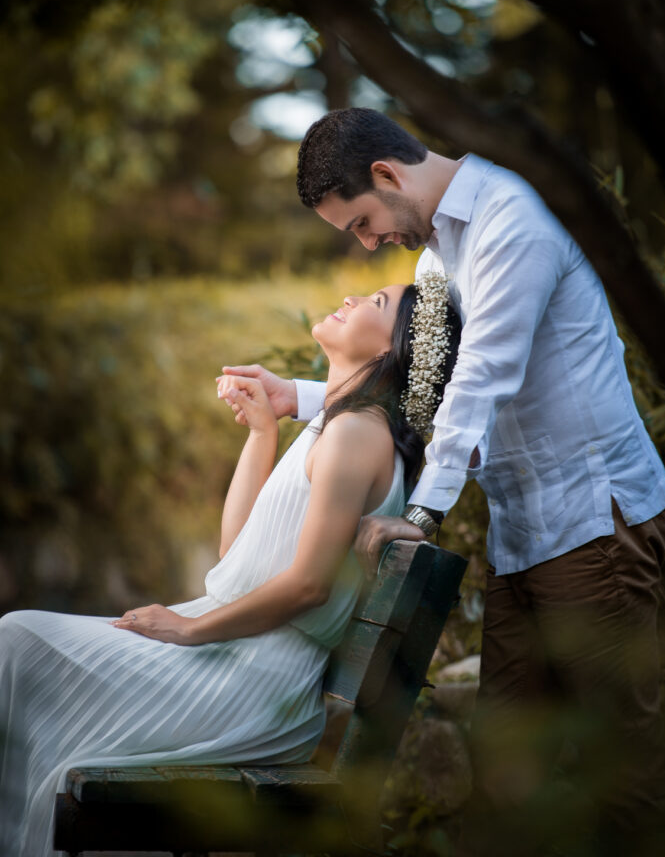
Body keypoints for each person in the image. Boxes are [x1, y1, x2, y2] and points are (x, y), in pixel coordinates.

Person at [224, 107, 665, 850]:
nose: (370, 243)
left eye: (362, 223)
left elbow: (481, 379)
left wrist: (425, 514)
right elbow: (424, 388)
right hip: (524, 535)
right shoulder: (436, 260)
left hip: (596, 523)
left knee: (625, 765)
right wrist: (299, 398)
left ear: (386, 175)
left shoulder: (512, 221)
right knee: (503, 767)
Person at [0, 275, 462, 857]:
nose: (351, 298)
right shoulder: (336, 425)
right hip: (238, 657)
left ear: (390, 351)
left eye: (375, 303)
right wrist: (262, 434)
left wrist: (188, 630)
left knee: (16, 640)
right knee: (17, 645)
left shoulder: (356, 436)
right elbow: (235, 550)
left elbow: (310, 587)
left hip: (256, 682)